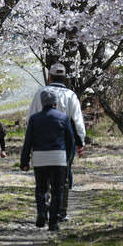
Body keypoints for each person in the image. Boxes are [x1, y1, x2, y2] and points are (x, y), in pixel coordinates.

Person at [28, 63, 87, 218]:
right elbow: (78, 121)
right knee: (64, 176)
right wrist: (81, 142)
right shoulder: (71, 95)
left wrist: (30, 141)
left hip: (41, 140)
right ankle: (61, 210)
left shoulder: (40, 93)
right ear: (65, 77)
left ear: (50, 77)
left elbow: (30, 119)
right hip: (64, 141)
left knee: (43, 177)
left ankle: (44, 207)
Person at [18, 88, 75, 231]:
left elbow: (28, 142)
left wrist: (24, 161)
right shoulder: (63, 118)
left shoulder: (34, 119)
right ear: (55, 102)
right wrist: (68, 158)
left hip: (40, 157)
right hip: (58, 157)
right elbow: (70, 141)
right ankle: (54, 221)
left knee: (41, 188)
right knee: (57, 190)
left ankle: (42, 212)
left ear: (42, 103)